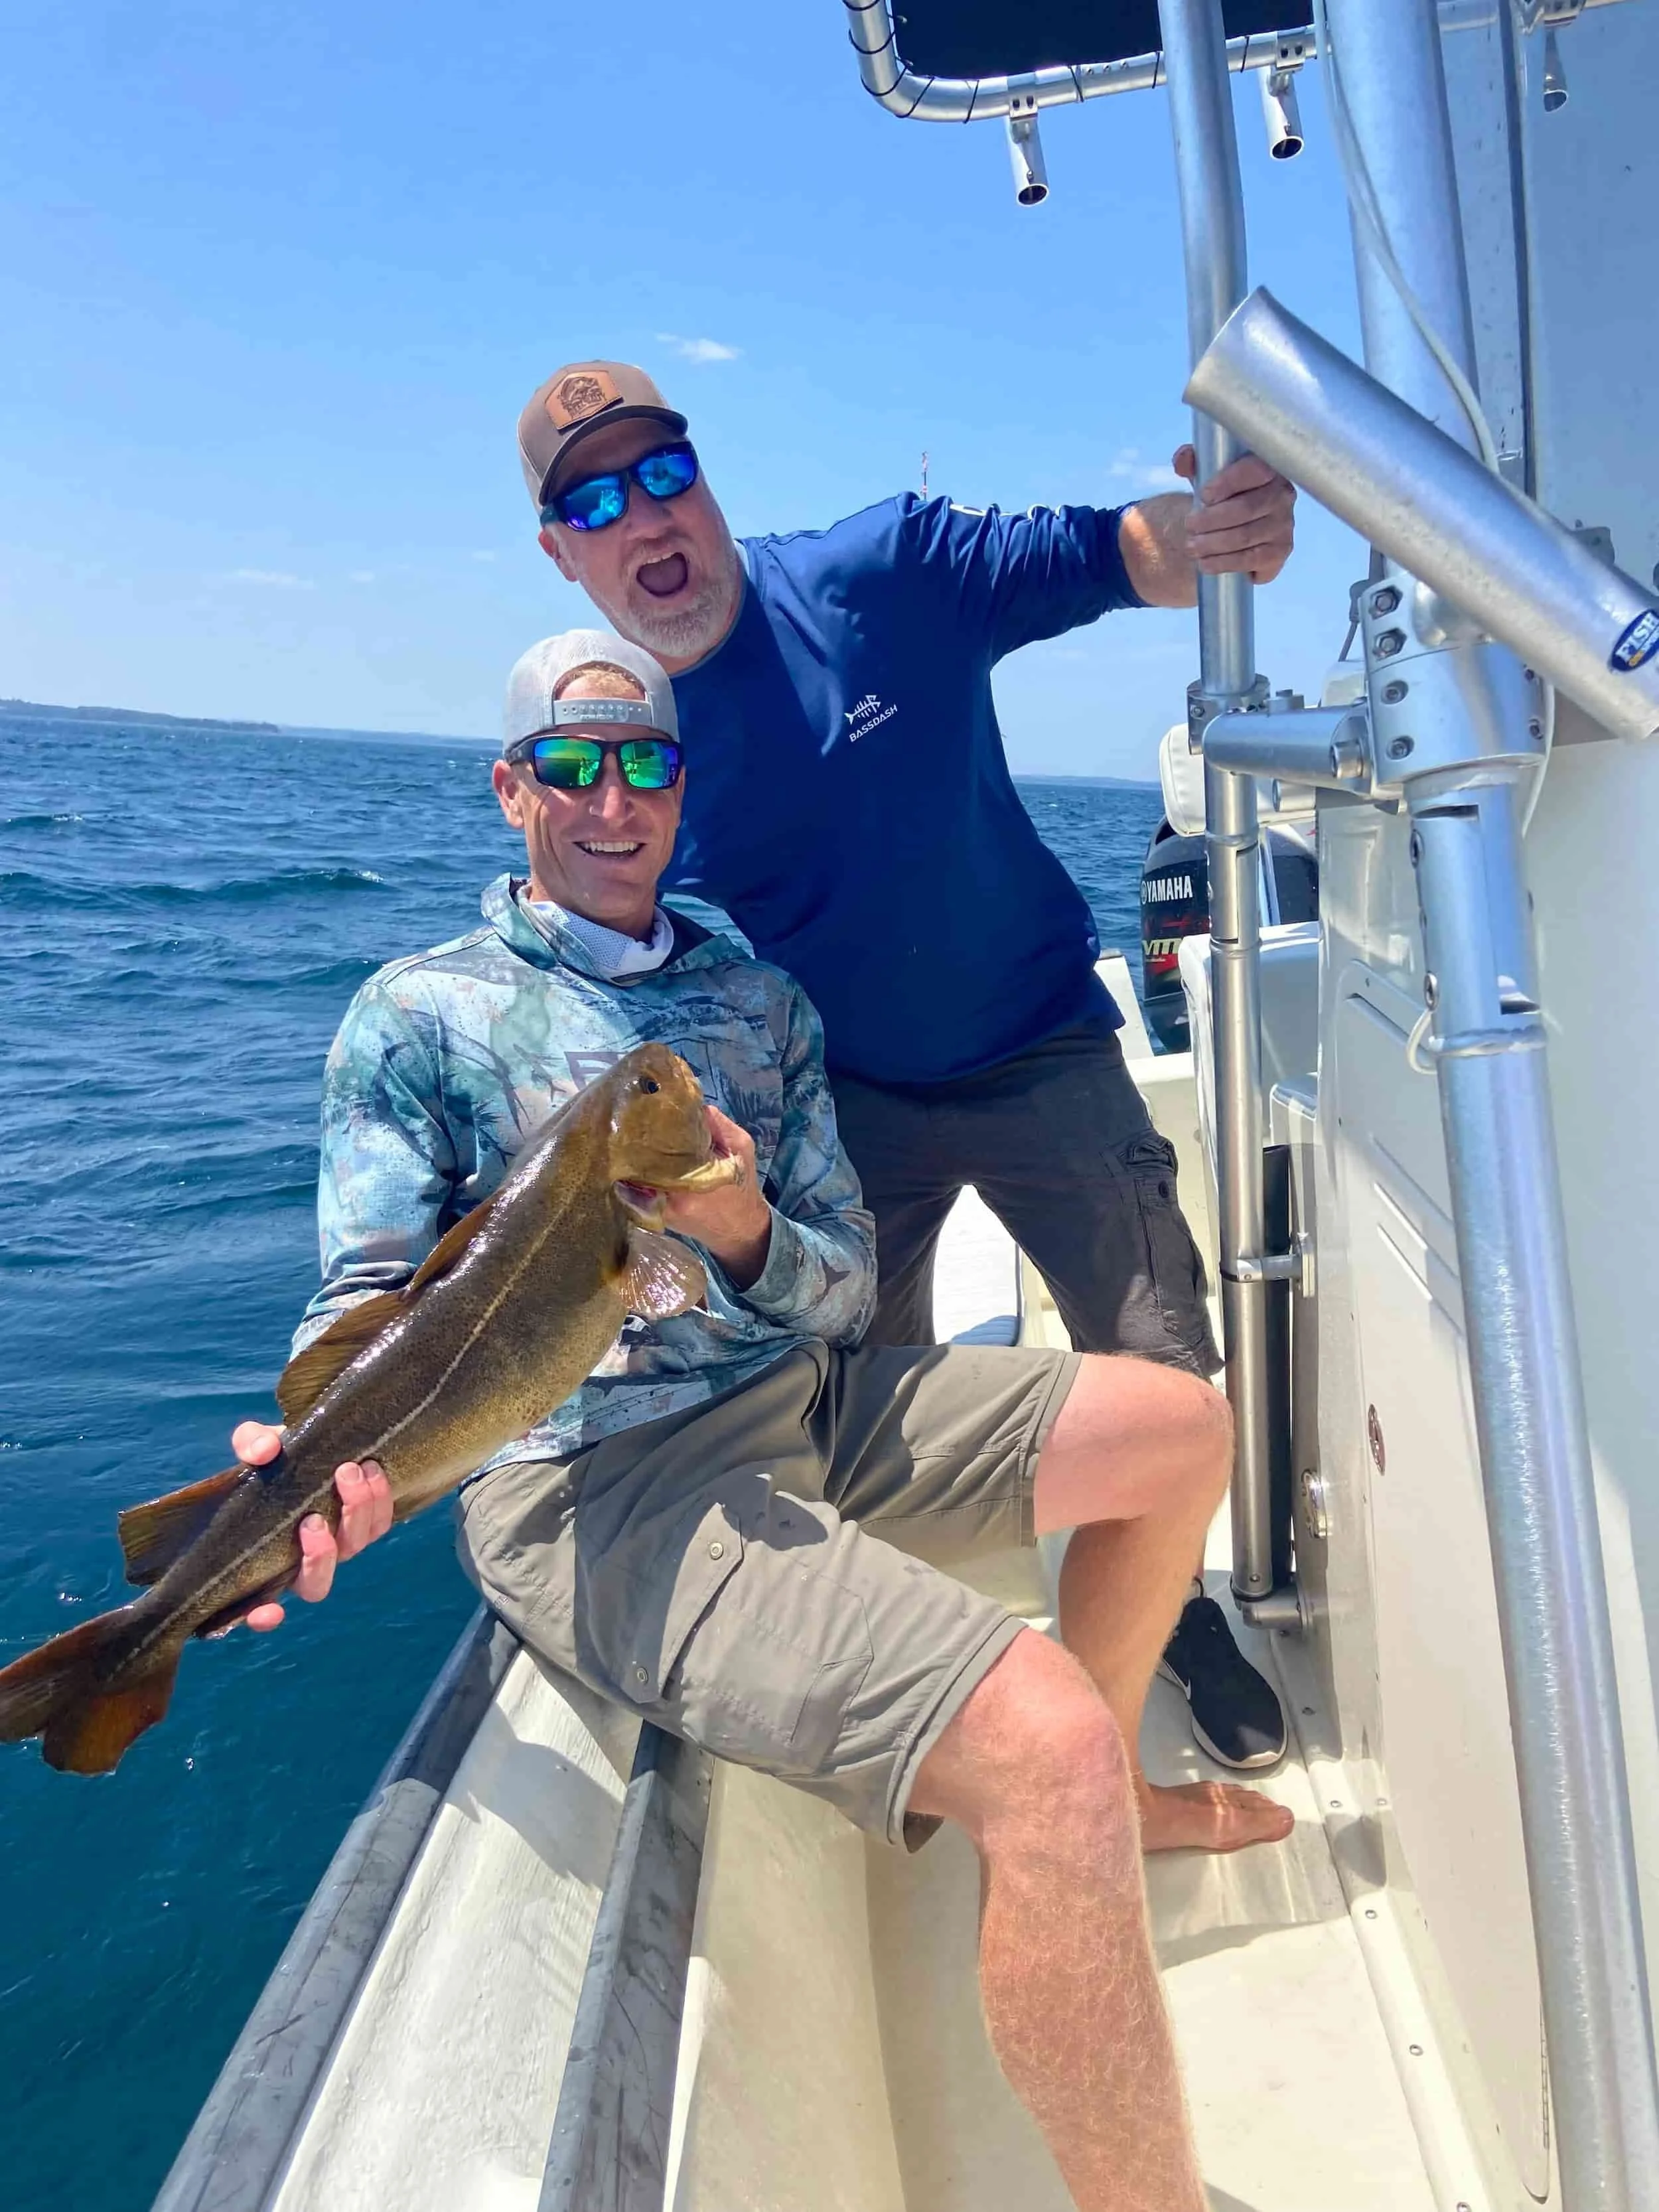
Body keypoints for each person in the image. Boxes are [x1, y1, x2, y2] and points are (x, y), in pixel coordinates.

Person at [232, 627, 1293, 2212]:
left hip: (800, 1402)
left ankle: (1122, 1810)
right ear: (512, 787)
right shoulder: (418, 1020)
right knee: (1045, 1743)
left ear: (681, 790)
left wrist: (735, 1229)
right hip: (596, 1484)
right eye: (573, 765)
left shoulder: (753, 1000)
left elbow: (841, 1286)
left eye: (645, 763)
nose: (611, 799)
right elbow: (363, 1295)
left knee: (1179, 1425)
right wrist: (317, 1460)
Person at [513, 360, 1296, 1772]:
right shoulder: (628, 757)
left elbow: (1107, 554)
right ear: (563, 551)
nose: (643, 515)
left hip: (1036, 1040)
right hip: (842, 1105)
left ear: (703, 479)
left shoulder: (880, 572)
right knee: (849, 1395)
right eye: (594, 500)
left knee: (1164, 1356)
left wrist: (1211, 538)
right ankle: (930, 1659)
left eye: (660, 472)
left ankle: (1166, 1610)